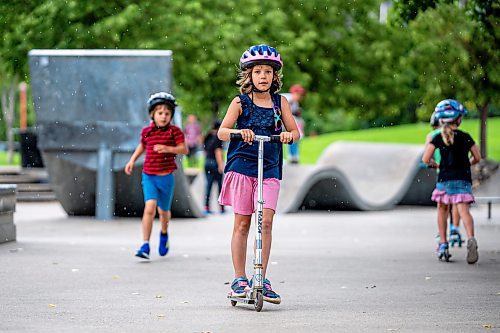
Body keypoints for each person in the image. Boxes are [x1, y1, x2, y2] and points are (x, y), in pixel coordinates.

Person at [217, 44, 300, 304]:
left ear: (275, 76)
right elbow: (222, 132)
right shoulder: (239, 102)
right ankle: (239, 278)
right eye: (257, 72)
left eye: (267, 71)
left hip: (270, 168)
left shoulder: (280, 102)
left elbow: (295, 132)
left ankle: (260, 277)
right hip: (243, 167)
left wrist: (288, 135)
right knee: (242, 223)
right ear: (249, 76)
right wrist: (239, 132)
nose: (263, 76)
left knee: (265, 223)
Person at [125, 92, 188, 260]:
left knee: (164, 212)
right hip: (149, 176)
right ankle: (145, 244)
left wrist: (168, 149)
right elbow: (142, 147)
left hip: (166, 177)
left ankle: (164, 233)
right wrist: (132, 160)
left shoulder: (175, 132)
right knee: (150, 208)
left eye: (167, 113)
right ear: (152, 114)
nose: (164, 116)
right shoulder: (147, 131)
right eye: (160, 113)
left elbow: (184, 149)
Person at [422, 99, 481, 264]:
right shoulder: (465, 137)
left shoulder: (437, 138)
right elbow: (478, 157)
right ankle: (471, 238)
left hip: (445, 179)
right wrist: (467, 164)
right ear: (459, 119)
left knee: (442, 209)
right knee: (464, 211)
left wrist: (435, 164)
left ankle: (443, 244)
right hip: (463, 179)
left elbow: (425, 158)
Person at [426, 111, 463, 247]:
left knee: (443, 205)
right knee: (457, 201)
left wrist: (435, 164)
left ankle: (442, 236)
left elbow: (427, 157)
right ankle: (455, 229)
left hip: (442, 172)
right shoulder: (457, 134)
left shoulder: (432, 136)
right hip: (459, 173)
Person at [203, 119, 225, 214]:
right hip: (215, 163)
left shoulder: (208, 136)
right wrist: (221, 165)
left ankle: (206, 206)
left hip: (207, 162)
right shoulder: (218, 138)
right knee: (220, 186)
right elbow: (218, 152)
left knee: (208, 185)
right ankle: (221, 208)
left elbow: (205, 150)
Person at [287, 84, 306, 164]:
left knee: (295, 136)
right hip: (278, 122)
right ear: (293, 93)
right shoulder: (287, 98)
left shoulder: (295, 103)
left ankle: (294, 156)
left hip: (287, 123)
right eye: (298, 94)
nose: (299, 97)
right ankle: (292, 156)